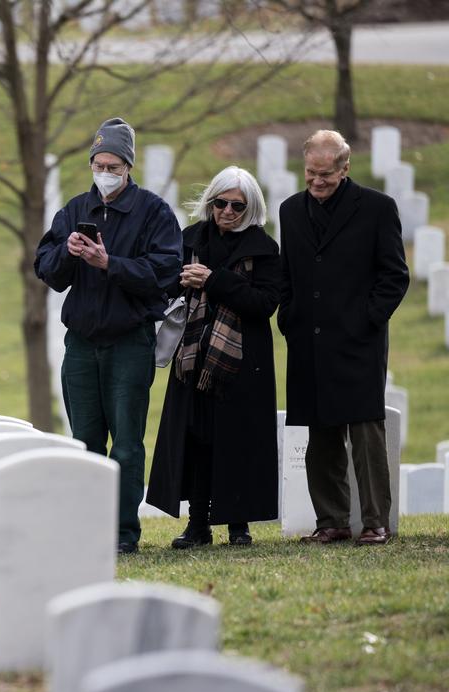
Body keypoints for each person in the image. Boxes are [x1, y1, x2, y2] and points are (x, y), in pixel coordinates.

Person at [34, 117, 183, 554]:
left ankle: (122, 533)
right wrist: (68, 251)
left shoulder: (153, 212)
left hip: (128, 343)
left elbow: (165, 273)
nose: (104, 172)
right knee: (85, 441)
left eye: (113, 165)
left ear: (128, 167)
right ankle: (88, 526)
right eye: (98, 164)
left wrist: (108, 264)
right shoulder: (75, 209)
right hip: (81, 344)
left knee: (127, 442)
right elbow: (46, 267)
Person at [278, 130, 409, 545]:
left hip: (358, 339)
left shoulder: (376, 208)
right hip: (308, 338)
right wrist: (290, 318)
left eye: (326, 174)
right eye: (311, 173)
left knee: (366, 430)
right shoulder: (290, 211)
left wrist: (367, 320)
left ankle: (375, 521)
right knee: (320, 433)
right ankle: (331, 520)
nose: (317, 181)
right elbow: (289, 273)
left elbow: (394, 276)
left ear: (344, 168)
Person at [146, 166, 281, 547]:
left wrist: (213, 280)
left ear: (250, 208)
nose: (227, 211)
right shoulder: (189, 239)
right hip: (193, 360)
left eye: (237, 206)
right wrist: (181, 282)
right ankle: (198, 525)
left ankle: (239, 525)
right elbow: (167, 287)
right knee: (197, 441)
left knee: (238, 441)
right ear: (211, 202)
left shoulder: (264, 248)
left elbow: (264, 303)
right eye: (220, 202)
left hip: (240, 361)